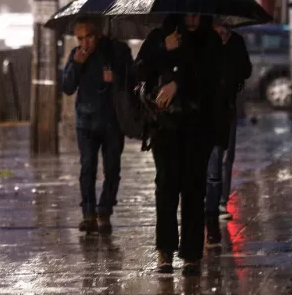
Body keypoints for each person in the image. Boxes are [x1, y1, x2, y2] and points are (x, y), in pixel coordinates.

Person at [135, 14, 222, 275]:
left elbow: (212, 76)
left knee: (194, 188)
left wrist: (178, 83)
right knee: (166, 187)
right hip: (164, 126)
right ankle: (165, 251)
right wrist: (163, 48)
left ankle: (192, 254)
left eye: (198, 13)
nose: (193, 19)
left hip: (197, 126)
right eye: (188, 13)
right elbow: (139, 69)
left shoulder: (210, 41)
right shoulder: (159, 38)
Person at [61, 17, 134, 235]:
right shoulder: (77, 56)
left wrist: (116, 78)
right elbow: (67, 87)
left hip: (112, 121)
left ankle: (105, 209)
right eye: (80, 38)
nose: (84, 43)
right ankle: (88, 213)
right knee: (87, 167)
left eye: (89, 37)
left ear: (98, 34)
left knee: (112, 168)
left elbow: (134, 78)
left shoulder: (117, 51)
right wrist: (76, 65)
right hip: (86, 121)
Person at [205, 23, 252, 244]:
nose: (221, 30)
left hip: (228, 108)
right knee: (213, 160)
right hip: (208, 110)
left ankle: (220, 200)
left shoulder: (236, 43)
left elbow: (246, 70)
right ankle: (213, 206)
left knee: (227, 156)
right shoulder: (205, 42)